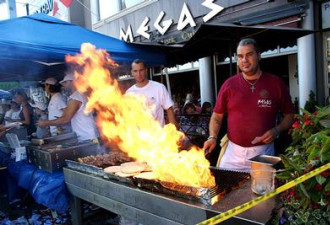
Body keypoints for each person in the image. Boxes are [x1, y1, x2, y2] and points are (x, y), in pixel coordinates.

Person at [203, 38, 294, 171]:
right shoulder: (229, 85)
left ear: (258, 55)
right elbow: (217, 116)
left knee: (262, 191)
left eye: (249, 55)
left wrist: (276, 131)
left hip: (264, 153)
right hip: (233, 153)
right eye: (240, 56)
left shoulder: (276, 84)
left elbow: (290, 116)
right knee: (225, 190)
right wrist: (212, 137)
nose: (244, 60)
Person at [37, 72, 99, 141]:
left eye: (65, 82)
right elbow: (66, 116)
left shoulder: (75, 97)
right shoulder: (79, 95)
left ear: (72, 82)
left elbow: (66, 119)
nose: (63, 85)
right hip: (86, 135)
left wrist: (45, 123)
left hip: (87, 136)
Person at [126, 59, 179, 129]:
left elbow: (169, 109)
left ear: (146, 70)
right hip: (138, 137)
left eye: (141, 70)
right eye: (135, 71)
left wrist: (174, 130)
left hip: (158, 135)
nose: (138, 74)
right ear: (132, 73)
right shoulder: (129, 93)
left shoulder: (159, 88)